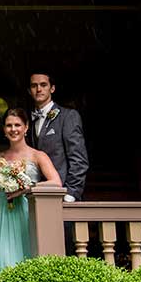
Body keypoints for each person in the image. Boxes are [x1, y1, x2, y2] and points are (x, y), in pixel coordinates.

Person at [0, 108, 62, 271]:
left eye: (17, 125)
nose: (13, 129)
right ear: (4, 129)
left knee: (27, 257)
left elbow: (56, 182)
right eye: (9, 125)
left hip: (27, 212)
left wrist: (26, 189)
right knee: (5, 261)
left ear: (26, 127)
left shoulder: (38, 156)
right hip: (4, 212)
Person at [27, 72, 88, 203]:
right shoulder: (28, 121)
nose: (39, 89)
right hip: (37, 196)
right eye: (34, 86)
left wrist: (71, 193)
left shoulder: (68, 116)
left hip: (62, 195)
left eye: (43, 85)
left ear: (52, 88)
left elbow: (79, 159)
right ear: (29, 91)